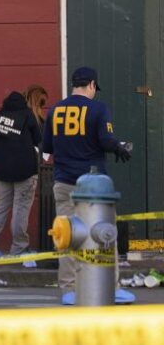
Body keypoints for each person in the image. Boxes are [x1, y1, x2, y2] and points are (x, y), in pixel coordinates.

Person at [41, 67, 133, 305]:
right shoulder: (99, 109)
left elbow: (47, 148)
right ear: (92, 85)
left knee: (68, 235)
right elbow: (105, 139)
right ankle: (110, 288)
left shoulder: (55, 110)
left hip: (64, 182)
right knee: (104, 235)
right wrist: (118, 148)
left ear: (74, 84)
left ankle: (70, 289)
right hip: (95, 188)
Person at [0, 91, 42, 266]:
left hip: (1, 169)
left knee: (0, 207)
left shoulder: (0, 116)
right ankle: (19, 248)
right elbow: (38, 139)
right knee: (20, 209)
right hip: (24, 169)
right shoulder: (28, 116)